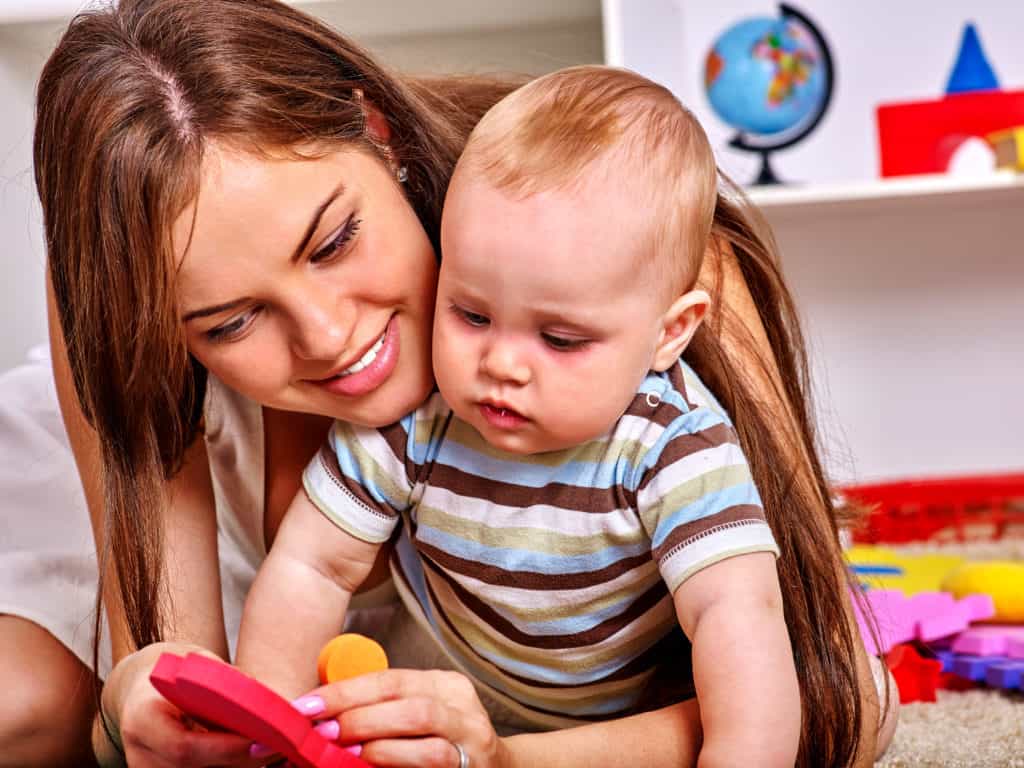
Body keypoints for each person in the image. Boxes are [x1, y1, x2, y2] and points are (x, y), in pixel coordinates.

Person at [11, 0, 895, 765]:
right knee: (28, 710)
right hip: (206, 461)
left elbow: (839, 703)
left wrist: (505, 755)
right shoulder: (112, 287)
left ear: (380, 134)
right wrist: (131, 705)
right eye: (232, 320)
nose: (328, 338)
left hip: (480, 640)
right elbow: (186, 668)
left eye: (333, 241)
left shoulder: (624, 257)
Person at [238, 65, 800, 766]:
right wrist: (274, 728)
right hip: (452, 665)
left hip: (629, 704)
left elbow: (735, 619)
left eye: (560, 339)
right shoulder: (418, 419)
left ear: (668, 333)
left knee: (788, 688)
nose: (500, 363)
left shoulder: (675, 447)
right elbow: (311, 568)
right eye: (472, 313)